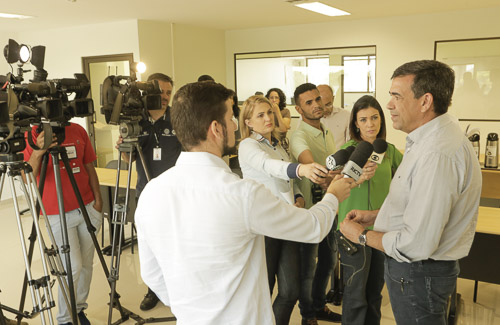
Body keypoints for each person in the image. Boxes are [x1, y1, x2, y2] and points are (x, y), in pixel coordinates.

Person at [135, 81, 353, 324]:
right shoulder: (241, 194)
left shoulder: (151, 193)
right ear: (216, 128)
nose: (235, 125)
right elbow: (313, 226)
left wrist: (193, 310)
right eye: (231, 117)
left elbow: (152, 275)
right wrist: (334, 195)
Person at [340, 60, 482, 325]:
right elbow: (417, 206)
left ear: (425, 101)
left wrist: (360, 235)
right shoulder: (428, 140)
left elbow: (416, 243)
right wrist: (376, 215)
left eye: (396, 96)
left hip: (418, 272)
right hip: (418, 271)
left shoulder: (436, 154)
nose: (389, 105)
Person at [238, 95, 330, 325]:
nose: (268, 118)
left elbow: (288, 180)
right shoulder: (248, 145)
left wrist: (298, 195)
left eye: (269, 112)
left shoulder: (278, 144)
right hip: (263, 227)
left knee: (291, 290)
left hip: (285, 221)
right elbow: (271, 167)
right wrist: (301, 169)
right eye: (260, 115)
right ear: (248, 122)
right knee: (264, 290)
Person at [24, 123, 103, 325]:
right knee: (72, 267)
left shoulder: (77, 130)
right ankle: (65, 319)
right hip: (56, 213)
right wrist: (39, 151)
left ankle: (78, 309)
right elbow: (27, 177)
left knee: (86, 266)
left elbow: (89, 166)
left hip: (87, 208)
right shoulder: (32, 135)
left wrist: (98, 200)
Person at [116, 73, 182, 310]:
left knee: (176, 245)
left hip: (176, 195)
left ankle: (178, 289)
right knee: (151, 246)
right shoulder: (136, 120)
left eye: (168, 92)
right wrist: (123, 147)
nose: (164, 97)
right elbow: (128, 159)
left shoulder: (179, 118)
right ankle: (153, 290)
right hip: (146, 193)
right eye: (160, 92)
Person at [337, 95, 403, 325]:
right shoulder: (348, 151)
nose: (370, 124)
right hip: (351, 229)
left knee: (375, 292)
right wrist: (358, 176)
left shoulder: (390, 151)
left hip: (382, 229)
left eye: (374, 118)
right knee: (355, 295)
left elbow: (408, 179)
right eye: (363, 119)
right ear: (355, 123)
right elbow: (338, 182)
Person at [290, 83, 346, 325]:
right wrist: (329, 179)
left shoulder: (326, 131)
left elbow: (332, 168)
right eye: (309, 103)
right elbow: (310, 164)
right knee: (308, 269)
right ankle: (308, 316)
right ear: (298, 109)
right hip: (310, 212)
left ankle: (319, 305)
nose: (316, 105)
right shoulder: (298, 135)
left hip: (330, 207)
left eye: (318, 100)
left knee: (329, 261)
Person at [318, 84, 350, 150]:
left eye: (328, 104)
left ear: (333, 98)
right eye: (321, 106)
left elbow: (350, 142)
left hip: (339, 158)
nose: (325, 109)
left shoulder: (346, 115)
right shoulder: (307, 117)